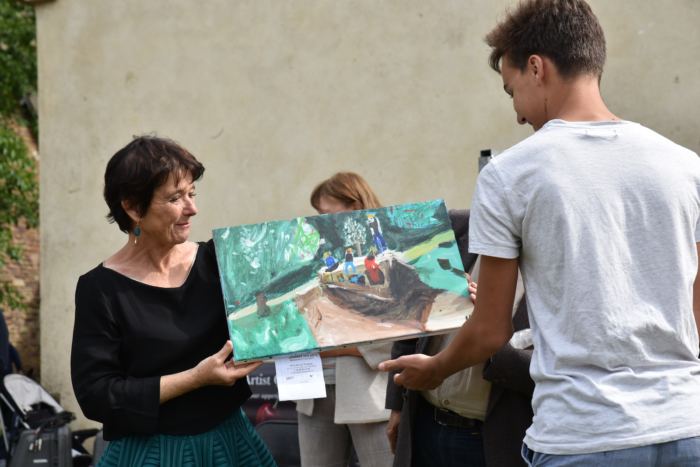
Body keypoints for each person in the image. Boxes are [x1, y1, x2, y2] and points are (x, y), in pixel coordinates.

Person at [380, 0, 700, 465]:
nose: (517, 115)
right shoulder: (685, 166)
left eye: (511, 91)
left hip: (584, 437)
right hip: (687, 427)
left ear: (536, 68)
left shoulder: (511, 173)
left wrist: (435, 369)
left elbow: (490, 330)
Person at [71, 136, 276, 466]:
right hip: (148, 455)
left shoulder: (220, 260)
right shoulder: (100, 289)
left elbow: (288, 304)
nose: (192, 208)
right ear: (133, 207)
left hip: (233, 447)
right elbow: (97, 396)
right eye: (175, 197)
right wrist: (195, 378)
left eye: (192, 193)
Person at [385, 209, 533, 467]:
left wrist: (487, 327)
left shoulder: (560, 259)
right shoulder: (456, 226)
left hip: (495, 438)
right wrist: (397, 405)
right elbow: (412, 316)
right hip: (424, 423)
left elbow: (551, 368)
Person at [295, 171, 393, 467]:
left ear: (355, 206)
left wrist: (337, 347)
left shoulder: (387, 253)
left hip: (369, 395)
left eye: (326, 214)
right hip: (313, 393)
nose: (319, 222)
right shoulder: (312, 257)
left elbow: (398, 333)